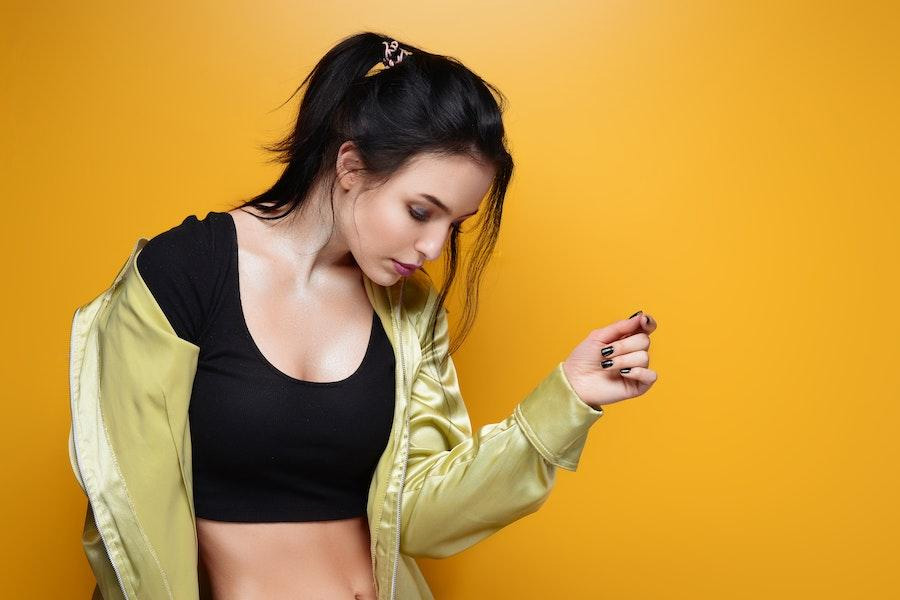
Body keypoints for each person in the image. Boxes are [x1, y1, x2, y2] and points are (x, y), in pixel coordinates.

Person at [66, 31, 658, 600]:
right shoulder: (186, 272)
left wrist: (568, 399)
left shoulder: (410, 310)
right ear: (351, 166)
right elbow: (129, 508)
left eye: (454, 224)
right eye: (421, 210)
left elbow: (419, 518)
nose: (433, 247)